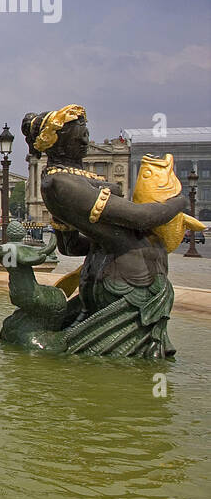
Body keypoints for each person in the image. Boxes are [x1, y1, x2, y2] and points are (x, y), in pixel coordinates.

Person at [12, 104, 189, 358]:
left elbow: (69, 246)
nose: (86, 139)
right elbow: (141, 218)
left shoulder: (60, 179)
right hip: (130, 281)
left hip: (105, 277)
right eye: (79, 135)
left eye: (86, 132)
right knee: (126, 370)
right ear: (59, 143)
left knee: (101, 363)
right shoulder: (63, 182)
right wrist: (179, 201)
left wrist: (102, 240)